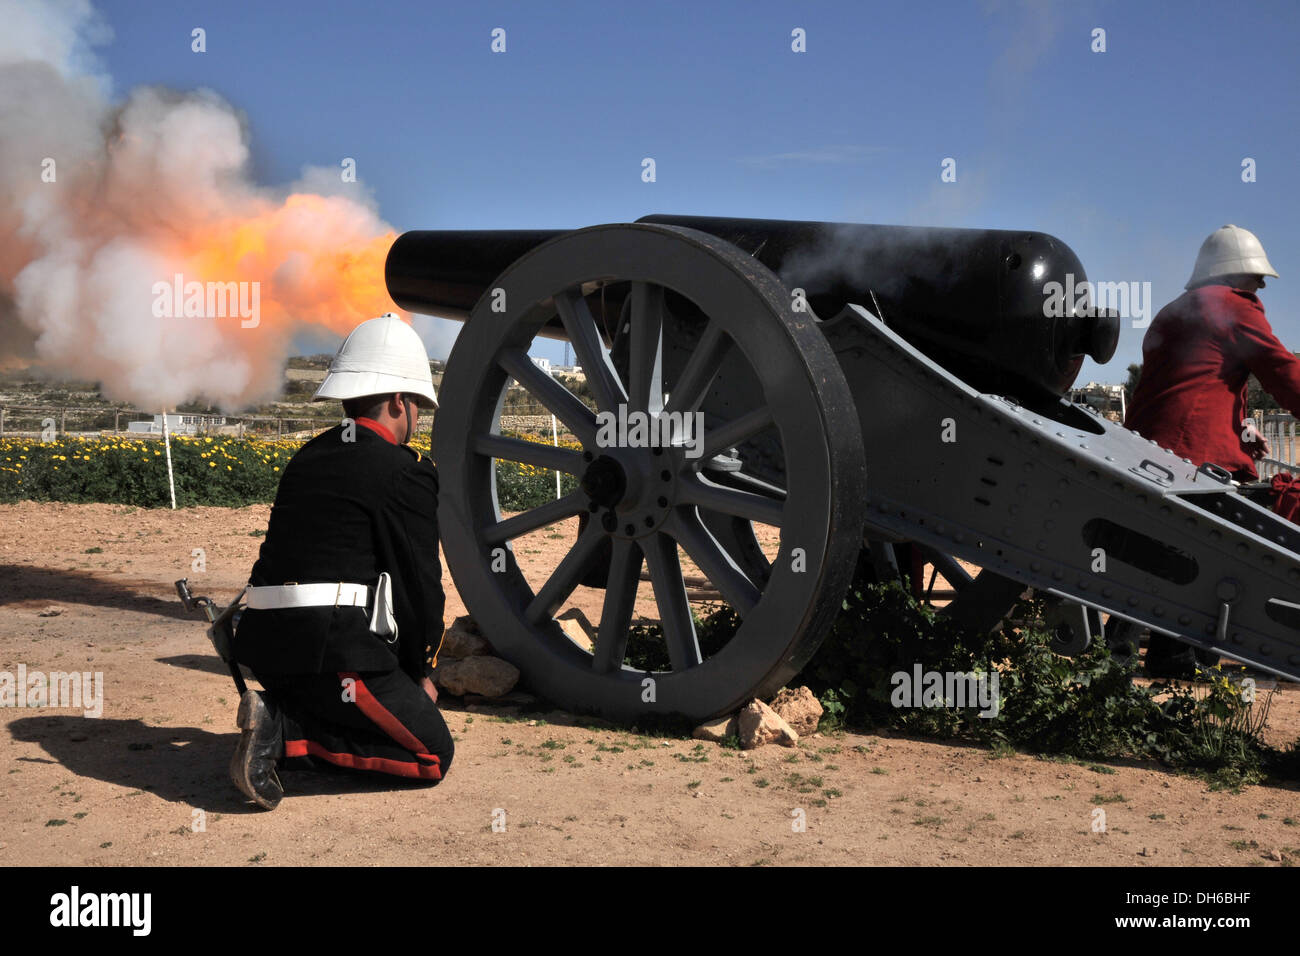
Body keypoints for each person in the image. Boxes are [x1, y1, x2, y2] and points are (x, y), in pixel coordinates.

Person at [228, 312, 452, 809]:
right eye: (416, 403)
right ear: (400, 401)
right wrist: (421, 672)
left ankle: (280, 710)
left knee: (349, 704)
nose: (416, 415)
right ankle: (281, 730)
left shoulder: (307, 456)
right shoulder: (405, 472)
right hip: (334, 654)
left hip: (268, 649)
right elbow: (419, 585)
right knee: (432, 753)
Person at [1118, 224, 1300, 677]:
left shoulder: (1173, 310)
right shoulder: (1233, 307)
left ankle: (1126, 655)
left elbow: (1197, 383)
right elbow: (1281, 371)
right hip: (1192, 458)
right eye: (1255, 275)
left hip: (1141, 447)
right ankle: (1177, 656)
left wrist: (1240, 430)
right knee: (1199, 556)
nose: (1260, 285)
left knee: (1146, 551)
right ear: (1233, 272)